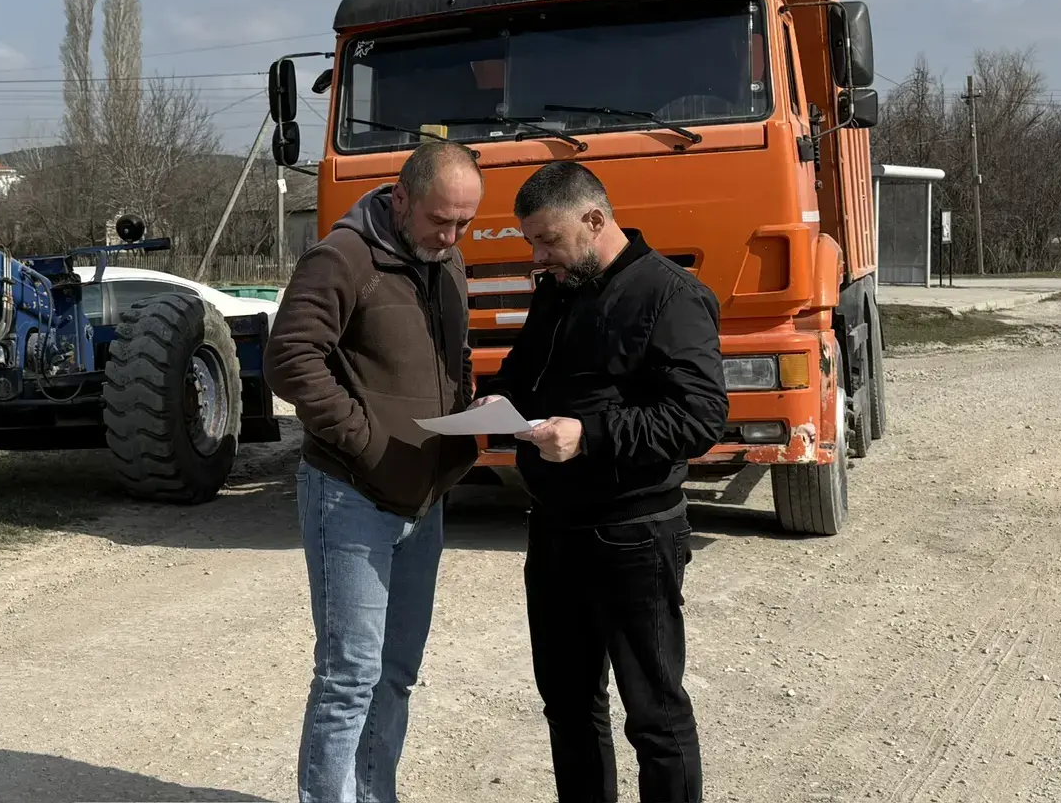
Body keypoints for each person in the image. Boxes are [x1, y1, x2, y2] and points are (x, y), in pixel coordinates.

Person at [475, 160, 727, 803]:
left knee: (655, 714)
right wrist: (497, 399)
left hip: (633, 533)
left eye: (548, 240)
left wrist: (589, 435)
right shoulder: (560, 287)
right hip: (555, 529)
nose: (537, 257)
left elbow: (699, 418)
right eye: (532, 242)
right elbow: (524, 370)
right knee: (568, 705)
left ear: (594, 219)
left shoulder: (670, 295)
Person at [264, 140, 484, 803]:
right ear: (400, 199)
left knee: (396, 673)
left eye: (464, 224)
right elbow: (290, 360)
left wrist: (468, 413)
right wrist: (366, 442)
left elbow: (456, 354)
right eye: (440, 220)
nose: (451, 237)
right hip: (352, 494)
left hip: (424, 499)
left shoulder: (448, 262)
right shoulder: (342, 258)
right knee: (350, 675)